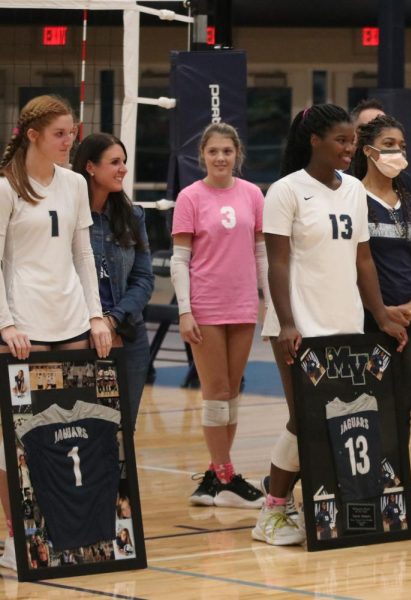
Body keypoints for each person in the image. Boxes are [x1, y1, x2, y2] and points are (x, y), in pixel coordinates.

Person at [253, 104, 407, 546]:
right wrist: (286, 323)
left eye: (352, 141)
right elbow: (276, 264)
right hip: (300, 325)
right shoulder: (284, 191)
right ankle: (272, 511)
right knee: (305, 421)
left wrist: (379, 315)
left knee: (340, 420)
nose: (349, 148)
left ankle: (318, 509)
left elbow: (363, 259)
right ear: (314, 141)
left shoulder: (355, 189)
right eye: (341, 140)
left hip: (346, 324)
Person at [0, 95, 112, 572]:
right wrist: (6, 322)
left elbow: (83, 255)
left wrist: (96, 315)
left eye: (73, 132)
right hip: (25, 322)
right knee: (15, 436)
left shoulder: (72, 185)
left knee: (75, 430)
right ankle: (12, 535)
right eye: (60, 134)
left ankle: (68, 530)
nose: (70, 141)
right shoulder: (5, 188)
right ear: (33, 136)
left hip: (71, 320)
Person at [170, 122, 266, 509]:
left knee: (231, 393)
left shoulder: (252, 194)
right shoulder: (190, 197)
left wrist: (270, 302)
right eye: (214, 152)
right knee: (214, 394)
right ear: (203, 156)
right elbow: (180, 259)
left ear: (237, 154)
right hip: (206, 306)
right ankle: (224, 474)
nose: (221, 157)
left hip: (242, 305)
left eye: (227, 151)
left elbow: (261, 253)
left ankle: (218, 474)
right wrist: (185, 311)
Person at [349, 113, 411, 496]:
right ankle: (369, 473)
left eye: (401, 146)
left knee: (402, 400)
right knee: (372, 398)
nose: (397, 152)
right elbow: (356, 261)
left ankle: (397, 473)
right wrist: (383, 313)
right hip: (372, 317)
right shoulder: (352, 197)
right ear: (368, 150)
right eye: (389, 145)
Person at [72, 133, 154, 428]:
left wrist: (113, 320)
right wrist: (95, 321)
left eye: (124, 162)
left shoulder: (132, 216)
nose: (123, 169)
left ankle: (119, 477)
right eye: (115, 162)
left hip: (127, 334)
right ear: (90, 167)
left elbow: (144, 279)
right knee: (82, 428)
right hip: (78, 335)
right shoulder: (69, 215)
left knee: (123, 430)